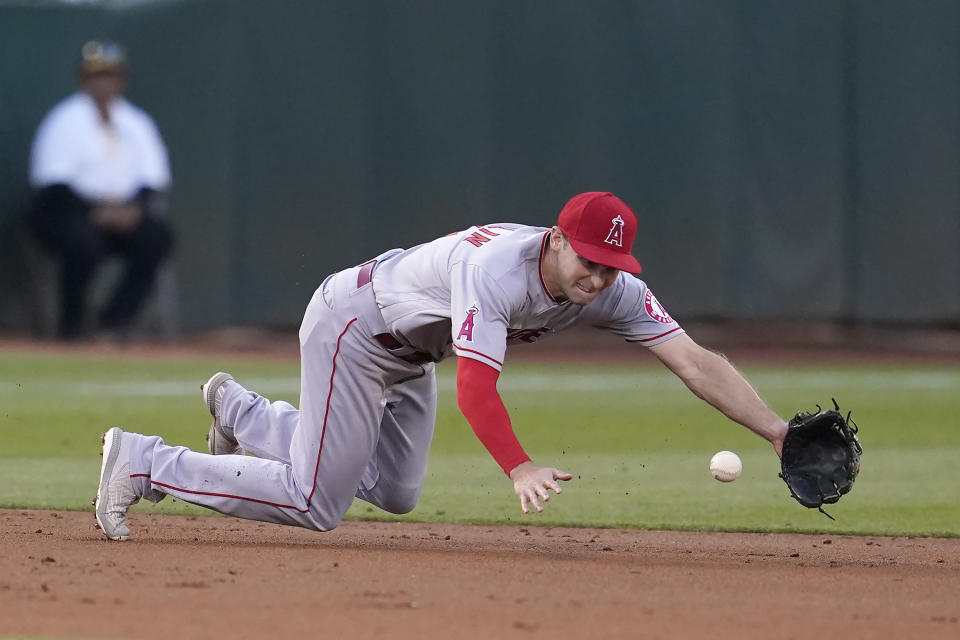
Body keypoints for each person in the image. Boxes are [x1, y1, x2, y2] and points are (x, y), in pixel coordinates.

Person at [95, 192, 788, 541]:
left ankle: (240, 412)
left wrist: (780, 434)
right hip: (356, 327)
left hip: (412, 352)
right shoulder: (498, 272)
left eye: (613, 268)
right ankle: (144, 461)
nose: (600, 279)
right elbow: (477, 388)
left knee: (395, 492)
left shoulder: (609, 292)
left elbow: (695, 363)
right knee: (317, 502)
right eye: (589, 261)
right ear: (555, 241)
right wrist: (518, 465)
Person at [29, 41, 173, 341]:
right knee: (82, 243)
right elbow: (53, 184)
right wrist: (94, 213)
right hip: (71, 211)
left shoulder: (136, 122)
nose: (105, 81)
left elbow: (153, 180)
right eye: (97, 75)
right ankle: (72, 328)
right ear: (84, 79)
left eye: (111, 74)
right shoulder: (64, 120)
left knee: (156, 237)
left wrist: (133, 211)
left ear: (122, 79)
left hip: (125, 211)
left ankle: (113, 323)